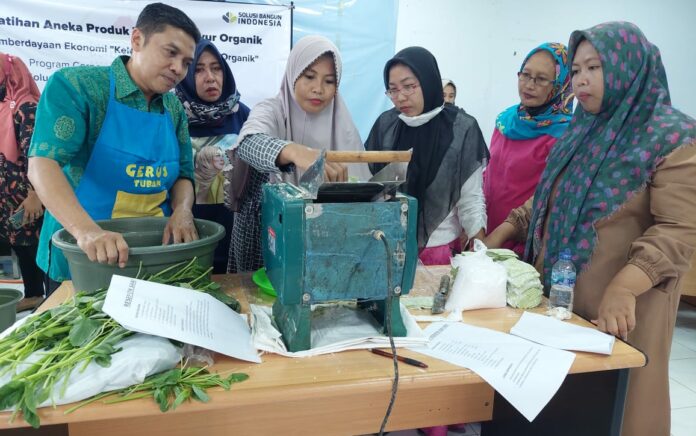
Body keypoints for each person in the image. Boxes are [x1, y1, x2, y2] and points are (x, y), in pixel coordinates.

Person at [484, 22, 696, 436]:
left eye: (594, 68)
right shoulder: (581, 129)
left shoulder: (672, 136)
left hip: (622, 309)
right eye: (577, 70)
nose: (581, 80)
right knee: (559, 409)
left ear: (628, 68)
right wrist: (504, 231)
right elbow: (548, 194)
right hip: (562, 300)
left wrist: (625, 287)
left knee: (616, 410)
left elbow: (679, 230)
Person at [27, 3, 200, 291]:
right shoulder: (78, 87)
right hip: (84, 256)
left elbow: (183, 173)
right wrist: (87, 233)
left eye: (186, 62)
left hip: (154, 255)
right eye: (171, 53)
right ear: (137, 40)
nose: (178, 69)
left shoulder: (173, 108)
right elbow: (42, 165)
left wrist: (183, 210)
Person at [224, 35, 364, 273]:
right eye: (309, 76)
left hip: (322, 247)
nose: (318, 88)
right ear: (292, 73)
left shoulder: (343, 126)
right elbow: (248, 145)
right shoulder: (271, 110)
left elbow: (362, 194)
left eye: (329, 81)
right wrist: (296, 152)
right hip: (264, 241)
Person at [365, 47, 489, 266]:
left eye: (409, 86)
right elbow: (372, 189)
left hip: (437, 253)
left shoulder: (461, 129)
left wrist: (480, 255)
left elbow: (470, 199)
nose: (400, 96)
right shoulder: (386, 126)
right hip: (386, 249)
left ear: (429, 80)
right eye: (392, 90)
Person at [483, 42, 573, 255]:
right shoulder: (506, 121)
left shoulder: (565, 135)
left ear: (560, 84)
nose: (529, 85)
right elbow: (489, 173)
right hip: (484, 232)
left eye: (541, 79)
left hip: (521, 241)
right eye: (525, 75)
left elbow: (548, 197)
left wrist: (503, 234)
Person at [175, 39, 251, 273]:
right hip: (188, 238)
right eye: (198, 69)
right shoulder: (173, 115)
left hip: (235, 238)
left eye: (216, 68)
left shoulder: (243, 115)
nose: (210, 77)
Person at [0, 53, 45, 311]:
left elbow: (36, 154)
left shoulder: (26, 107)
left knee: (32, 244)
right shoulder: (5, 105)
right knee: (19, 243)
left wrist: (35, 194)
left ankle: (42, 295)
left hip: (26, 193)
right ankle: (33, 293)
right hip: (9, 191)